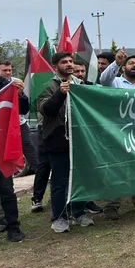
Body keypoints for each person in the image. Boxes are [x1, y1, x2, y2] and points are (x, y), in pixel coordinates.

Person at [38, 52, 94, 232]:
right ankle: (59, 217)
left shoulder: (80, 85)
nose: (69, 64)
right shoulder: (47, 85)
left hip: (80, 139)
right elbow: (46, 110)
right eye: (65, 62)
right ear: (56, 66)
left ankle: (78, 213)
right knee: (60, 181)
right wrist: (60, 94)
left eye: (71, 61)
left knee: (80, 177)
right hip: (58, 139)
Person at [99, 50, 135, 217]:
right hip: (116, 133)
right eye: (131, 63)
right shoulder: (115, 83)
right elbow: (103, 79)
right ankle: (112, 205)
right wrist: (116, 62)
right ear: (123, 68)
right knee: (117, 169)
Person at [0, 70, 27, 242]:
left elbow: (23, 108)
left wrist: (19, 95)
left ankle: (13, 227)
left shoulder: (3, 86)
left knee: (6, 190)